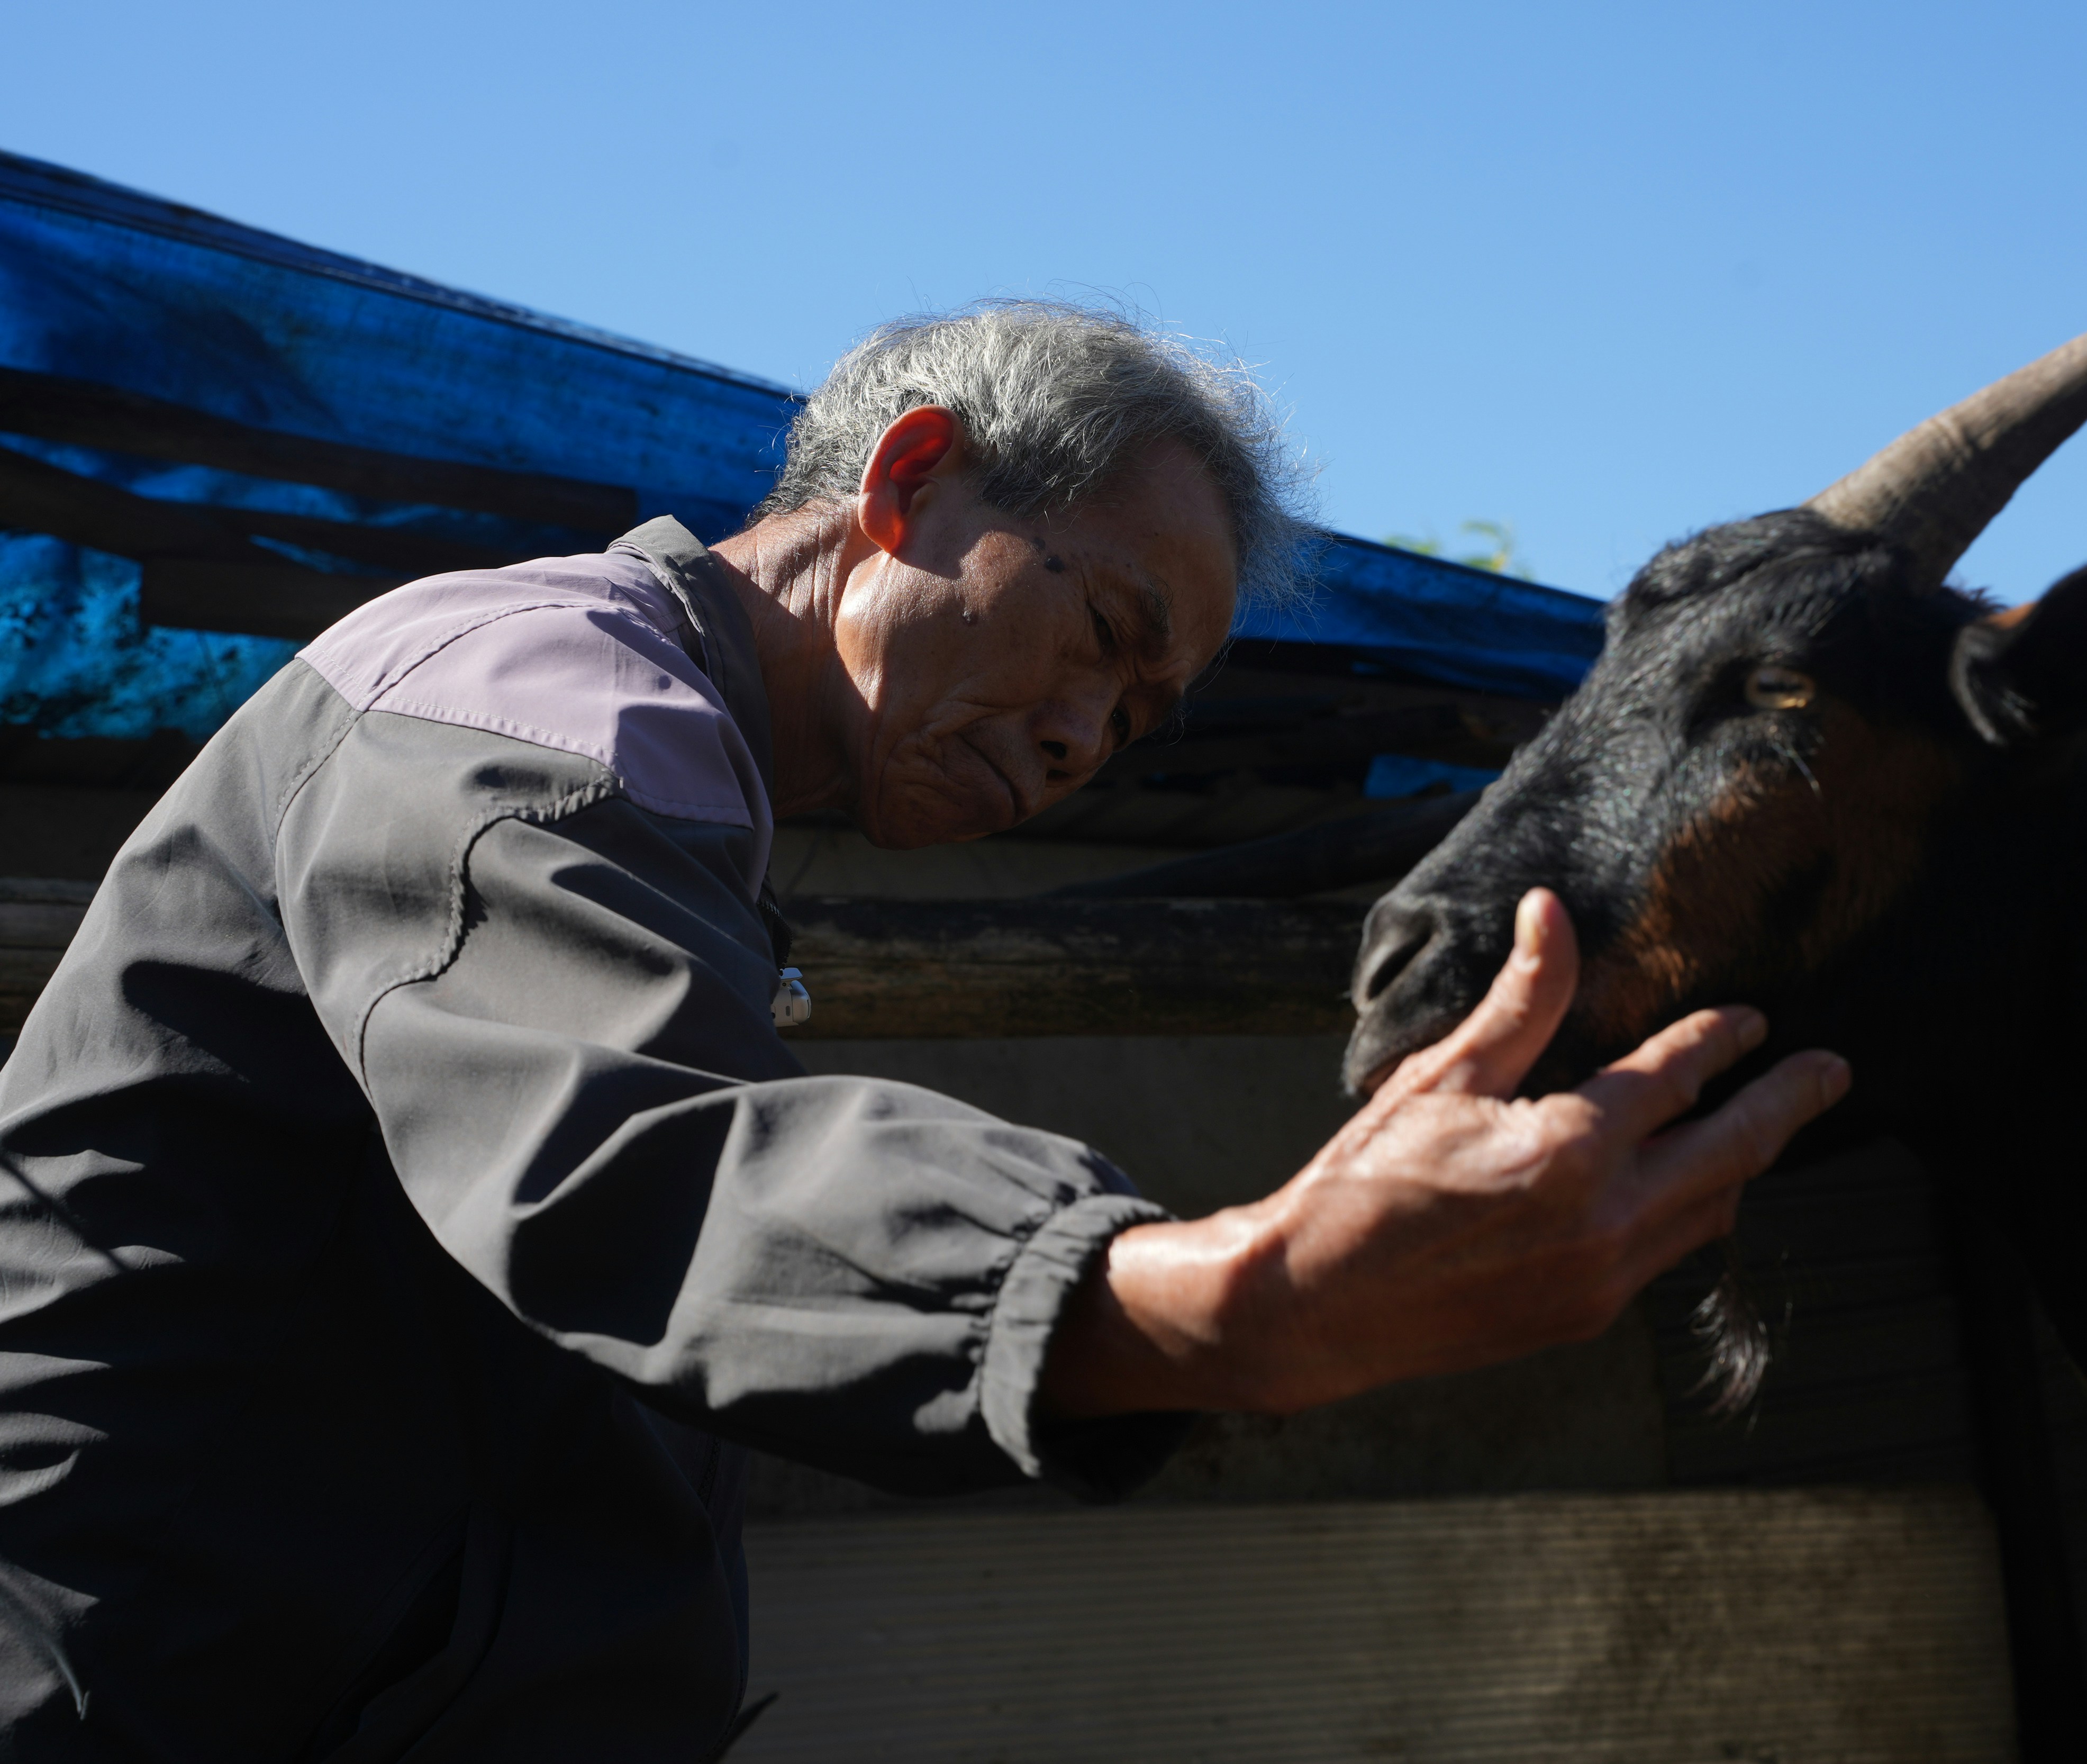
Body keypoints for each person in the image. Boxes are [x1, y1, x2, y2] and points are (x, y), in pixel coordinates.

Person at [0, 303, 1847, 1759]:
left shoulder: (687, 785)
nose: (1080, 740)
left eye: (1136, 723)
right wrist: (1223, 1297)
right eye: (1103, 629)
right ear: (911, 486)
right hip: (132, 1686)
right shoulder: (524, 698)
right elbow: (644, 1155)